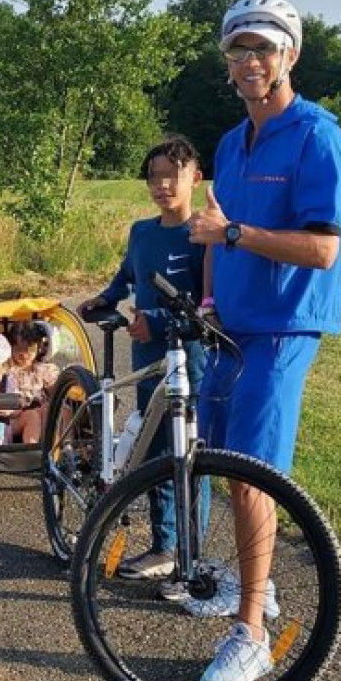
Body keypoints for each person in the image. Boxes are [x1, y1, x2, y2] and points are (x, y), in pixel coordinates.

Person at [186, 0, 341, 681]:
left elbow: (321, 248)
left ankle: (251, 634)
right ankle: (260, 587)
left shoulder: (318, 136)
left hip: (284, 330)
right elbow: (221, 227)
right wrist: (209, 302)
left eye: (263, 47)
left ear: (290, 55)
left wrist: (233, 236)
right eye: (239, 49)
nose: (250, 61)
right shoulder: (231, 141)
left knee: (254, 473)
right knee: (227, 466)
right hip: (232, 326)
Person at [81, 135, 207, 579]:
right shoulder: (142, 232)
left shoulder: (203, 234)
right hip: (149, 359)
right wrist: (104, 298)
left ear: (196, 177)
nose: (162, 184)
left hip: (191, 361)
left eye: (172, 174)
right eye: (154, 176)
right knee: (154, 452)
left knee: (190, 455)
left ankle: (193, 553)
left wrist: (155, 316)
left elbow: (204, 300)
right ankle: (164, 546)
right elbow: (124, 279)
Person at [6, 320, 59, 443]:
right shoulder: (7, 369)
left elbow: (56, 391)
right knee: (33, 415)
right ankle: (33, 450)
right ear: (11, 348)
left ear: (39, 347)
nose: (24, 354)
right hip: (16, 417)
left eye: (30, 349)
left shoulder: (42, 369)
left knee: (59, 409)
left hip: (41, 412)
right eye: (19, 349)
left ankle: (62, 448)